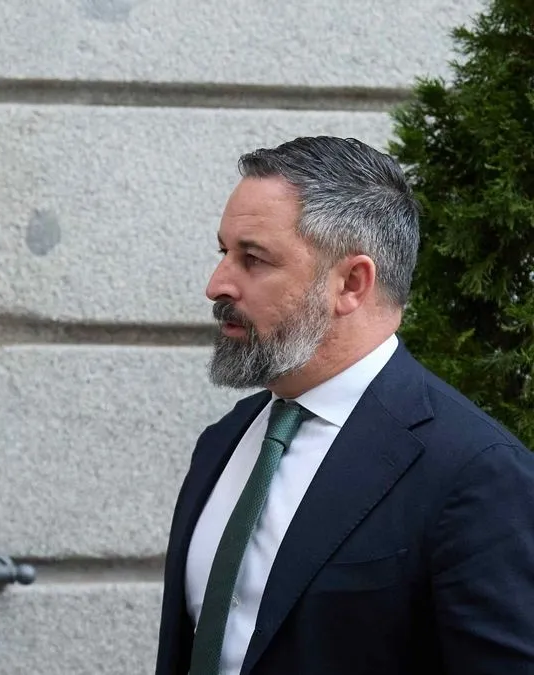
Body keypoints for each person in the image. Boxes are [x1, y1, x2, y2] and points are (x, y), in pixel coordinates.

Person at [155, 136, 534, 675]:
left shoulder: (476, 472)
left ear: (352, 283)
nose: (217, 285)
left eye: (253, 259)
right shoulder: (224, 442)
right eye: (224, 253)